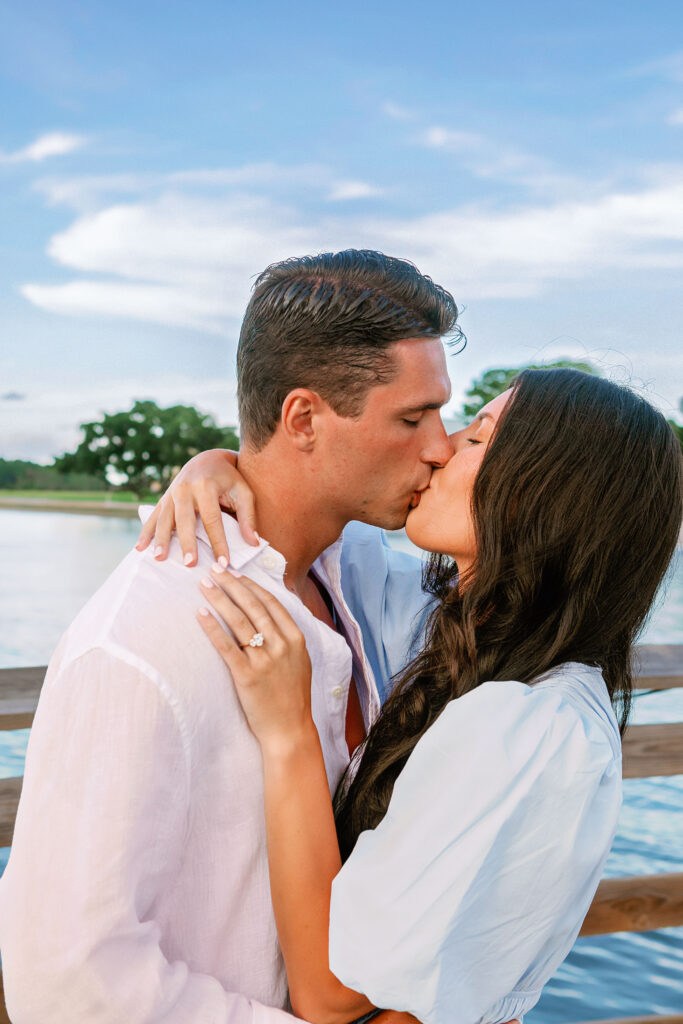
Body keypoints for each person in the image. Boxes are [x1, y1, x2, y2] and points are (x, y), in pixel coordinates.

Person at [0, 250, 463, 1024]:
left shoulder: (354, 572)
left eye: (441, 414)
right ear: (304, 419)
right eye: (412, 418)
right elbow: (68, 981)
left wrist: (215, 461)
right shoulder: (138, 646)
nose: (439, 446)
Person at [144, 369, 682, 1024]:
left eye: (477, 437)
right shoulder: (459, 630)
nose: (439, 446)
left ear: (538, 497)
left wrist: (289, 733)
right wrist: (218, 466)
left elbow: (334, 996)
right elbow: (319, 529)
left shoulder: (530, 721)